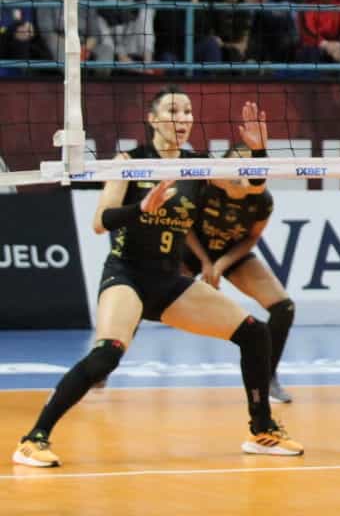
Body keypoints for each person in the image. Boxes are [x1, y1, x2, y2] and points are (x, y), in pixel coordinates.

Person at [12, 94, 301, 467]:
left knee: (254, 332)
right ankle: (33, 439)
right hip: (127, 274)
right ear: (152, 119)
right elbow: (100, 221)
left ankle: (262, 430)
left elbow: (249, 187)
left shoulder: (198, 167)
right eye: (173, 111)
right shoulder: (129, 162)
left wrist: (259, 153)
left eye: (188, 112)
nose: (182, 119)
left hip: (170, 283)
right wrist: (140, 208)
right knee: (107, 355)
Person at [182, 145, 295, 404]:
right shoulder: (204, 186)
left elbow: (252, 237)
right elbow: (184, 227)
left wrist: (220, 264)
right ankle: (105, 362)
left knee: (284, 307)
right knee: (146, 293)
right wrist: (204, 262)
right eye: (235, 164)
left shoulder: (262, 200)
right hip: (190, 250)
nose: (239, 171)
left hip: (230, 254)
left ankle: (268, 377)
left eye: (246, 164)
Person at [94, 0, 153, 67]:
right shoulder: (103, 7)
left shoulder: (141, 2)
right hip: (113, 56)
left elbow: (147, 32)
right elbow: (106, 38)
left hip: (136, 54)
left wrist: (147, 62)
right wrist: (120, 55)